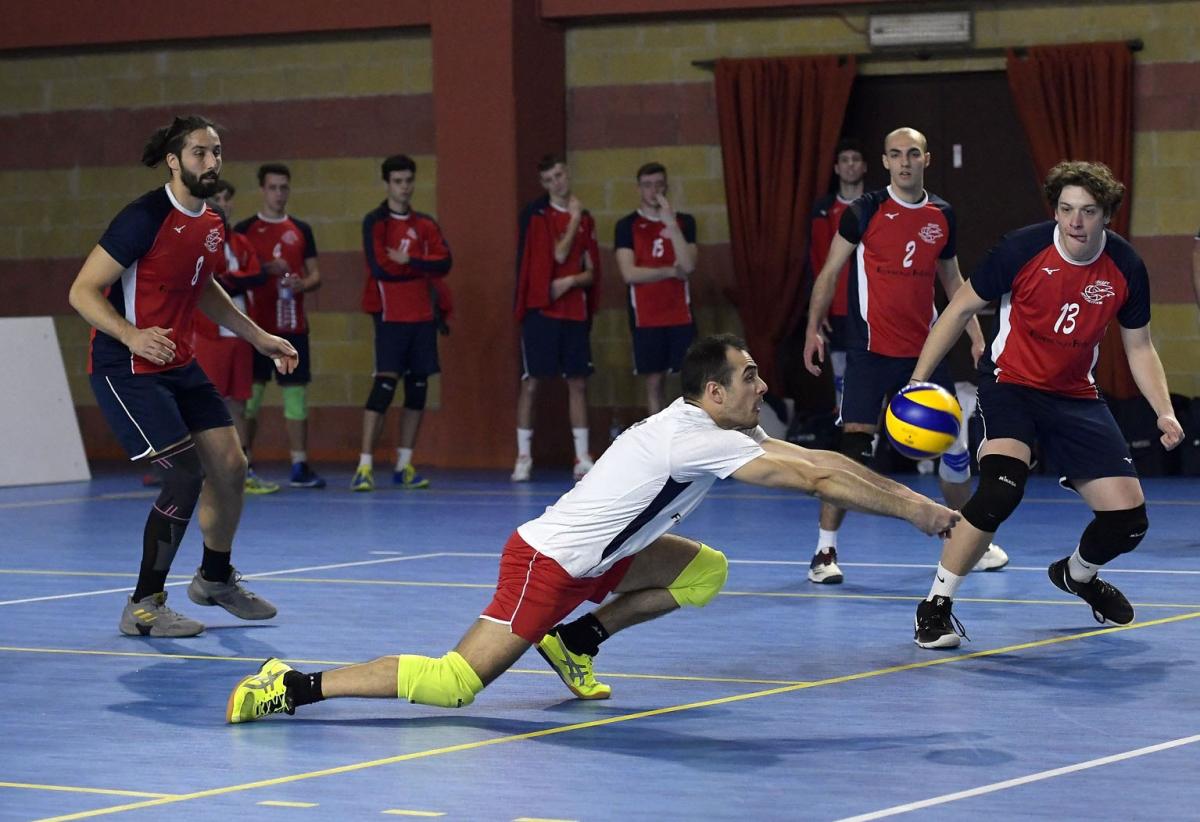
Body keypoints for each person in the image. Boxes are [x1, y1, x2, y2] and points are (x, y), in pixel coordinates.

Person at [225, 333, 960, 723]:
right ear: (714, 393)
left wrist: (910, 500)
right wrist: (918, 509)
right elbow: (817, 479)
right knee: (454, 684)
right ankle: (293, 683)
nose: (763, 387)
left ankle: (577, 641)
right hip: (551, 565)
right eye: (750, 379)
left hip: (612, 556)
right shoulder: (696, 437)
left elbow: (815, 457)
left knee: (703, 569)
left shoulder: (708, 422)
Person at [905, 161, 1184, 649]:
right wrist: (917, 379)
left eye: (1088, 211)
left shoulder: (1125, 267)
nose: (1075, 221)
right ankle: (936, 605)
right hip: (1010, 385)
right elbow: (960, 307)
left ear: (1107, 216)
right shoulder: (1021, 248)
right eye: (1066, 209)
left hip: (1075, 395)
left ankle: (1077, 574)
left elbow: (1138, 345)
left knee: (1128, 520)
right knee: (1000, 490)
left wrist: (1163, 409)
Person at [67, 115, 295, 637]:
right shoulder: (142, 218)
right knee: (184, 475)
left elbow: (204, 286)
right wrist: (130, 335)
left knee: (231, 465)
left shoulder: (211, 223)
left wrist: (258, 336)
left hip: (179, 364)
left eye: (217, 152)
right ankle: (144, 604)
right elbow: (81, 291)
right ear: (174, 161)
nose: (211, 162)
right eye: (199, 153)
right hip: (127, 368)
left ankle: (214, 580)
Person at [803, 126, 1006, 585]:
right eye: (896, 155)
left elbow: (955, 284)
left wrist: (975, 335)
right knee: (853, 452)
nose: (905, 162)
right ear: (886, 162)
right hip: (870, 352)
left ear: (926, 160)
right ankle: (824, 552)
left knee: (952, 449)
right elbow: (830, 271)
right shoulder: (865, 211)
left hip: (925, 354)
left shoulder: (942, 215)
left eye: (913, 154)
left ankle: (966, 539)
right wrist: (813, 330)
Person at [351, 155, 452, 492]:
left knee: (418, 390)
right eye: (397, 181)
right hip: (390, 316)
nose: (404, 187)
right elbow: (380, 267)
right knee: (383, 389)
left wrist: (410, 260)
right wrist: (423, 267)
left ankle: (404, 464)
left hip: (423, 317)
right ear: (387, 184)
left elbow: (445, 262)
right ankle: (364, 465)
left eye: (408, 180)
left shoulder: (425, 224)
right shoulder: (375, 222)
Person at [511, 154, 601, 483]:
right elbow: (559, 254)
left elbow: (591, 272)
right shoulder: (538, 216)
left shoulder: (586, 219)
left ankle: (582, 456)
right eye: (549, 179)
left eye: (560, 175)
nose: (557, 183)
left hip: (573, 311)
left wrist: (570, 281)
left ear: (568, 174)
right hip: (543, 313)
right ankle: (523, 456)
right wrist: (574, 218)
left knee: (577, 383)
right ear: (544, 185)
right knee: (532, 382)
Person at [235, 163, 326, 488]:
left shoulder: (301, 229)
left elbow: (316, 274)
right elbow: (235, 271)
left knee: (296, 396)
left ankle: (299, 464)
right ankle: (243, 462)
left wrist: (305, 283)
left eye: (283, 187)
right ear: (262, 190)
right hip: (256, 328)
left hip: (293, 327)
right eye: (273, 187)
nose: (278, 193)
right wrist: (265, 268)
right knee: (251, 398)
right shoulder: (245, 230)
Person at [193, 180, 279, 495]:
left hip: (239, 336)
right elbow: (208, 281)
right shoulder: (199, 243)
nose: (223, 205)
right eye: (217, 199)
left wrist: (231, 280)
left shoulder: (241, 243)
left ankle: (245, 469)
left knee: (239, 405)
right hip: (208, 335)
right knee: (206, 404)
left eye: (228, 199)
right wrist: (232, 281)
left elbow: (256, 275)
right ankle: (203, 470)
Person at [614, 161, 699, 416]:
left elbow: (689, 265)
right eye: (648, 185)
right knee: (654, 381)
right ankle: (658, 443)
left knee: (689, 381)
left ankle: (689, 439)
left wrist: (670, 225)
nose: (654, 191)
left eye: (659, 185)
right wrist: (669, 272)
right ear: (639, 189)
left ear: (666, 187)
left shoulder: (684, 222)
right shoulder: (627, 225)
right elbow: (629, 273)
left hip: (679, 312)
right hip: (646, 315)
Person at [808, 138, 867, 411]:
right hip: (838, 308)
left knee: (872, 373)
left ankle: (878, 440)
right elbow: (819, 262)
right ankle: (847, 436)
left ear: (864, 166)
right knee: (841, 376)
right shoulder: (823, 209)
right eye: (845, 160)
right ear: (836, 167)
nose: (851, 165)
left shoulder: (878, 206)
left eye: (855, 159)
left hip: (872, 307)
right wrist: (819, 313)